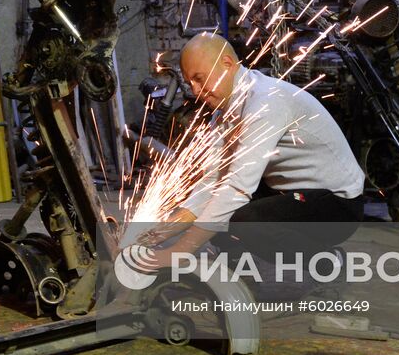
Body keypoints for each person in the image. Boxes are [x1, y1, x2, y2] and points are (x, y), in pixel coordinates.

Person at [139, 32, 366, 278]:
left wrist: (179, 251)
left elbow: (237, 187)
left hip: (337, 205)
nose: (195, 90)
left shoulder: (266, 102)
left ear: (227, 63)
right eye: (189, 82)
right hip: (292, 193)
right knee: (220, 207)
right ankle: (234, 272)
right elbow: (211, 183)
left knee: (245, 220)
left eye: (199, 78)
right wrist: (159, 232)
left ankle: (327, 262)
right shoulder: (223, 115)